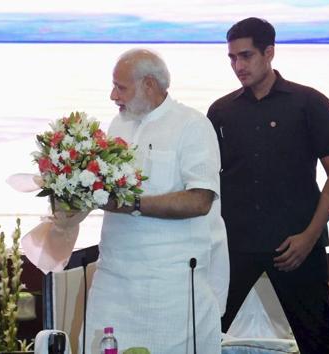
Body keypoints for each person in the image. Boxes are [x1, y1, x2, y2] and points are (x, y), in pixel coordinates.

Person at [207, 17, 329, 354]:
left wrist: (309, 237)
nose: (238, 65)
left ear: (269, 52)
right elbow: (206, 181)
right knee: (205, 333)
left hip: (296, 245)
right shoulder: (221, 111)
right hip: (234, 245)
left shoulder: (310, 103)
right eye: (232, 58)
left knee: (317, 342)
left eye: (246, 56)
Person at [82, 48, 224, 353]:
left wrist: (133, 205)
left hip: (167, 285)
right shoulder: (117, 125)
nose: (112, 95)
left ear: (148, 84)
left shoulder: (191, 125)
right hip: (113, 279)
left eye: (121, 87)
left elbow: (200, 200)